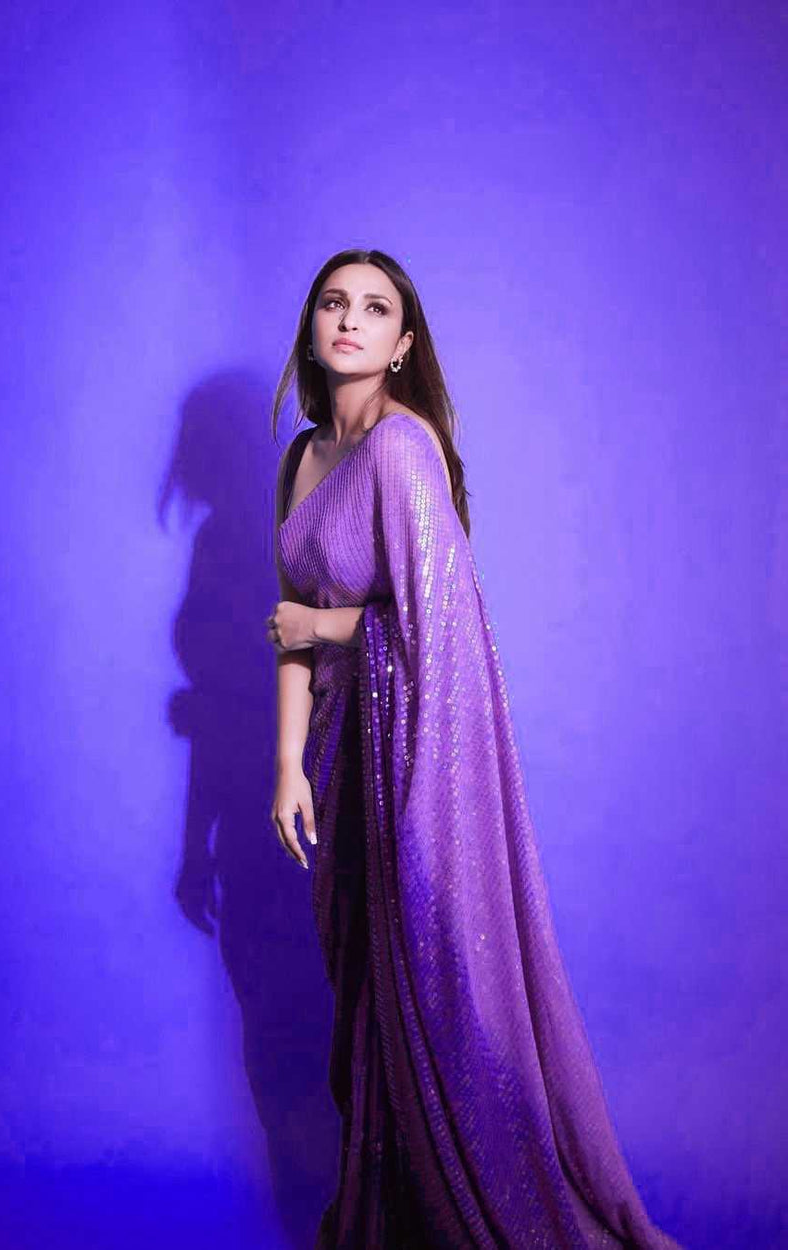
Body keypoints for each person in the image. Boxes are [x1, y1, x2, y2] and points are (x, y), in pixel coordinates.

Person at [264, 249, 683, 1249]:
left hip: (411, 755)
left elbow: (444, 622)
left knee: (429, 984)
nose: (350, 320)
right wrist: (285, 763)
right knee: (363, 997)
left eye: (375, 309)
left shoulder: (403, 449)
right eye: (334, 303)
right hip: (335, 754)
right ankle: (390, 1217)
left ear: (403, 344)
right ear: (312, 328)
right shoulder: (301, 459)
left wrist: (325, 627)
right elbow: (286, 626)